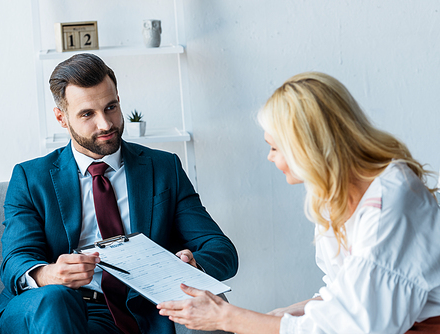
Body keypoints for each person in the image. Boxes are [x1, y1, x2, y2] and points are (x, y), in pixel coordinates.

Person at [157, 72, 440, 334]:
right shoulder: (337, 196)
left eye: (275, 147)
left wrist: (228, 317)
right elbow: (342, 294)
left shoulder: (389, 201)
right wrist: (282, 313)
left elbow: (358, 325)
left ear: (308, 147)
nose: (270, 157)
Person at [0, 53, 238, 334]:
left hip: (133, 313)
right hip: (47, 309)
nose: (105, 124)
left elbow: (221, 250)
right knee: (56, 298)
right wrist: (49, 273)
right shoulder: (31, 177)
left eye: (111, 107)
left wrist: (191, 263)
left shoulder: (164, 168)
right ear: (61, 118)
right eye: (87, 114)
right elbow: (16, 259)